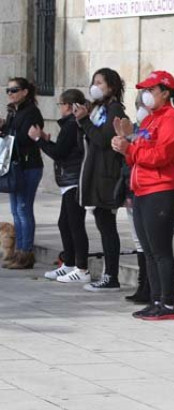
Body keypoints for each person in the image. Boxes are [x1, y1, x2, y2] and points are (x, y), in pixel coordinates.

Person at [112, 70, 174, 321]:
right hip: (142, 190)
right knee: (149, 251)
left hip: (162, 191)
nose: (145, 95)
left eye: (150, 90)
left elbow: (159, 157)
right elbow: (139, 151)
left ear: (165, 93)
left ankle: (167, 303)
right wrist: (125, 142)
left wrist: (130, 148)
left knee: (160, 250)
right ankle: (155, 299)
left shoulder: (172, 120)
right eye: (143, 90)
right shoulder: (150, 119)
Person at [73, 68, 127, 290]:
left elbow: (104, 139)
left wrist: (85, 122)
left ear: (111, 87)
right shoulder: (98, 108)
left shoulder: (114, 109)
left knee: (107, 226)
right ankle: (108, 274)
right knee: (102, 224)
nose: (95, 86)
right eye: (93, 82)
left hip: (106, 175)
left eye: (100, 83)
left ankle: (110, 275)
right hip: (94, 173)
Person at [31, 89, 91, 282]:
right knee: (64, 223)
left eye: (61, 104)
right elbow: (64, 149)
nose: (60, 108)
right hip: (69, 180)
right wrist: (48, 141)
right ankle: (70, 263)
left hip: (74, 180)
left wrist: (39, 140)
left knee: (74, 224)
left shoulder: (72, 124)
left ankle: (82, 269)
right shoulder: (70, 125)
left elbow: (60, 153)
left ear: (69, 106)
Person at [1, 77, 44, 269]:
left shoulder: (32, 112)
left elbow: (27, 139)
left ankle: (26, 253)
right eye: (8, 90)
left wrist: (8, 131)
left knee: (23, 209)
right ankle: (18, 251)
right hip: (15, 166)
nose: (10, 93)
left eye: (14, 90)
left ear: (25, 92)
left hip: (29, 166)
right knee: (15, 210)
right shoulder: (14, 111)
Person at [122, 92, 152, 304]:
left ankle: (150, 288)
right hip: (133, 187)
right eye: (138, 104)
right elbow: (126, 162)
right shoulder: (133, 128)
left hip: (149, 190)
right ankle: (143, 284)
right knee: (138, 241)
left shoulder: (153, 128)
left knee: (149, 243)